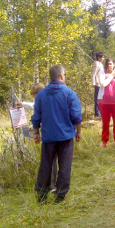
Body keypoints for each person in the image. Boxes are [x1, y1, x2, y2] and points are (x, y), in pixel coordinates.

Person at [32, 65, 82, 204]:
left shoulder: (41, 94)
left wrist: (36, 132)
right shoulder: (70, 94)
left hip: (48, 136)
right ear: (62, 76)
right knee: (64, 166)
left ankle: (41, 196)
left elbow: (36, 116)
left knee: (46, 165)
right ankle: (59, 196)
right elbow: (76, 116)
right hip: (66, 137)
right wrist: (78, 131)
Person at [18, 83, 58, 192]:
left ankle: (49, 186)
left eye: (33, 94)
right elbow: (33, 105)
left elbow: (41, 116)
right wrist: (23, 104)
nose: (33, 96)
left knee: (50, 160)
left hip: (50, 134)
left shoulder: (43, 101)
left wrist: (32, 128)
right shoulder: (48, 99)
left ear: (37, 93)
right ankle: (52, 185)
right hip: (55, 132)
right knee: (53, 160)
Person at [97, 58, 115, 149]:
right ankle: (104, 140)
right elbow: (103, 84)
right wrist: (111, 76)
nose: (109, 65)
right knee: (105, 122)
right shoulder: (102, 73)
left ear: (114, 65)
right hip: (103, 102)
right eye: (108, 63)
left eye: (111, 64)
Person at [91, 52, 105, 119]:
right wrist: (93, 83)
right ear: (98, 58)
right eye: (102, 57)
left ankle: (100, 111)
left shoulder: (100, 64)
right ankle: (97, 112)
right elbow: (93, 74)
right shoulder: (97, 64)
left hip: (101, 83)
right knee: (97, 98)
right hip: (97, 83)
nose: (103, 58)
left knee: (101, 97)